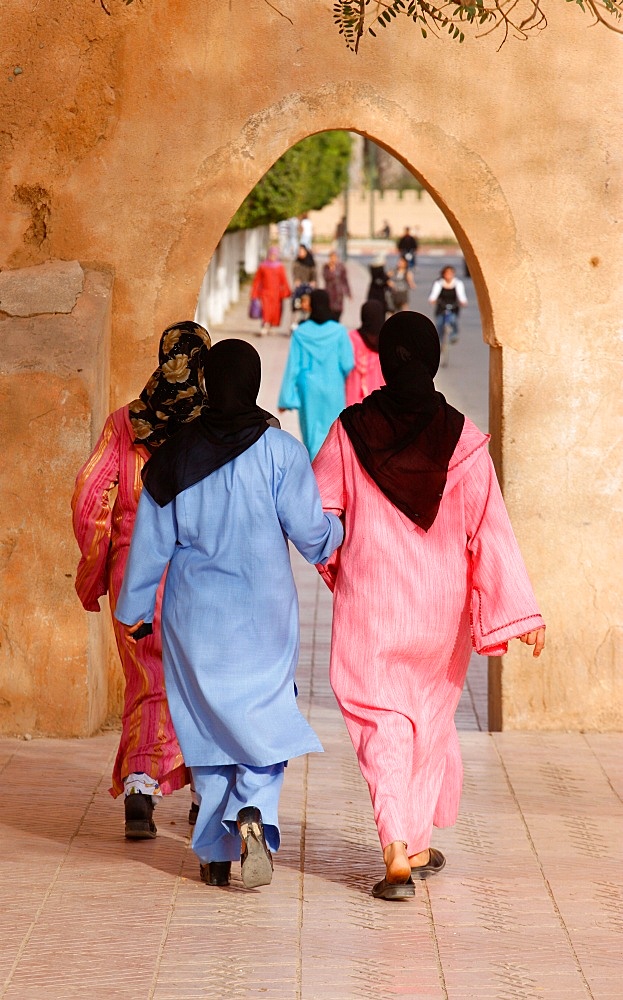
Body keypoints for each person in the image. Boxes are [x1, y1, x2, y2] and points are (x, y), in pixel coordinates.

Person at [312, 312, 546, 901]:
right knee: (427, 720)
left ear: (385, 360)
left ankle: (397, 848)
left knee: (380, 723)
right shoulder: (464, 440)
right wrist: (522, 612)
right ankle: (414, 843)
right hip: (439, 615)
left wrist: (339, 566)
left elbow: (318, 512)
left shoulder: (349, 431)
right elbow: (489, 532)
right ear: (435, 358)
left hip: (372, 604)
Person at [114, 339, 343, 890]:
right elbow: (313, 537)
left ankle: (214, 852)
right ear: (255, 382)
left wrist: (135, 611)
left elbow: (150, 544)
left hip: (195, 619)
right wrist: (338, 533)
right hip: (264, 615)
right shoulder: (281, 452)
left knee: (208, 728)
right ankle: (254, 814)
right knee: (264, 718)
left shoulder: (174, 456)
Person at [71, 321, 212, 839]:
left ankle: (139, 787)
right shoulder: (214, 426)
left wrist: (97, 572)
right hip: (200, 577)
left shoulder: (124, 423)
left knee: (147, 681)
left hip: (135, 577)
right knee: (201, 685)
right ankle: (207, 792)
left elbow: (90, 502)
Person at [278, 289, 354, 460]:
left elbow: (293, 367)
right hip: (333, 388)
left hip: (309, 389)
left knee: (312, 436)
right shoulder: (339, 331)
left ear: (311, 305)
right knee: (334, 435)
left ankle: (316, 475)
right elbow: (348, 363)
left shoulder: (300, 332)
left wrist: (285, 398)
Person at [345, 300, 385, 406]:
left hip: (354, 402)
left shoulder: (351, 338)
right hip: (380, 403)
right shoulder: (387, 341)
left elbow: (345, 365)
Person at [250, 246, 291, 336]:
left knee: (275, 311)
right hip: (265, 292)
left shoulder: (279, 267)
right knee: (265, 310)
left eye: (274, 255)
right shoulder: (263, 266)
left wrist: (287, 291)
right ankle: (265, 325)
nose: (273, 257)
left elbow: (283, 280)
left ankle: (270, 326)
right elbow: (257, 280)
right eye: (271, 255)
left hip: (276, 294)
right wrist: (254, 293)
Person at [428, 265, 468, 344]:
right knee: (439, 324)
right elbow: (434, 294)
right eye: (447, 273)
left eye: (450, 273)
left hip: (453, 305)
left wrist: (463, 301)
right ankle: (439, 342)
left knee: (453, 320)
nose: (449, 276)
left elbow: (461, 295)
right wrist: (432, 300)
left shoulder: (457, 283)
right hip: (441, 305)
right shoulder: (439, 283)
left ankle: (454, 334)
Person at [291, 243, 317, 331]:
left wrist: (313, 282)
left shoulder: (311, 263)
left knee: (307, 308)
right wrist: (296, 281)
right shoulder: (297, 262)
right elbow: (295, 273)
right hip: (299, 290)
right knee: (297, 307)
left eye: (302, 251)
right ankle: (294, 325)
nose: (300, 253)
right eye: (299, 251)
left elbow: (314, 276)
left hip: (308, 289)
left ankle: (305, 326)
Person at [322, 249, 351, 321]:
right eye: (331, 257)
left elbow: (344, 280)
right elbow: (326, 277)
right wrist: (331, 270)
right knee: (329, 311)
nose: (333, 259)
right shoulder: (326, 267)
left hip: (338, 293)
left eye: (335, 257)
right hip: (329, 292)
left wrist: (348, 292)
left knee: (338, 311)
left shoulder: (341, 267)